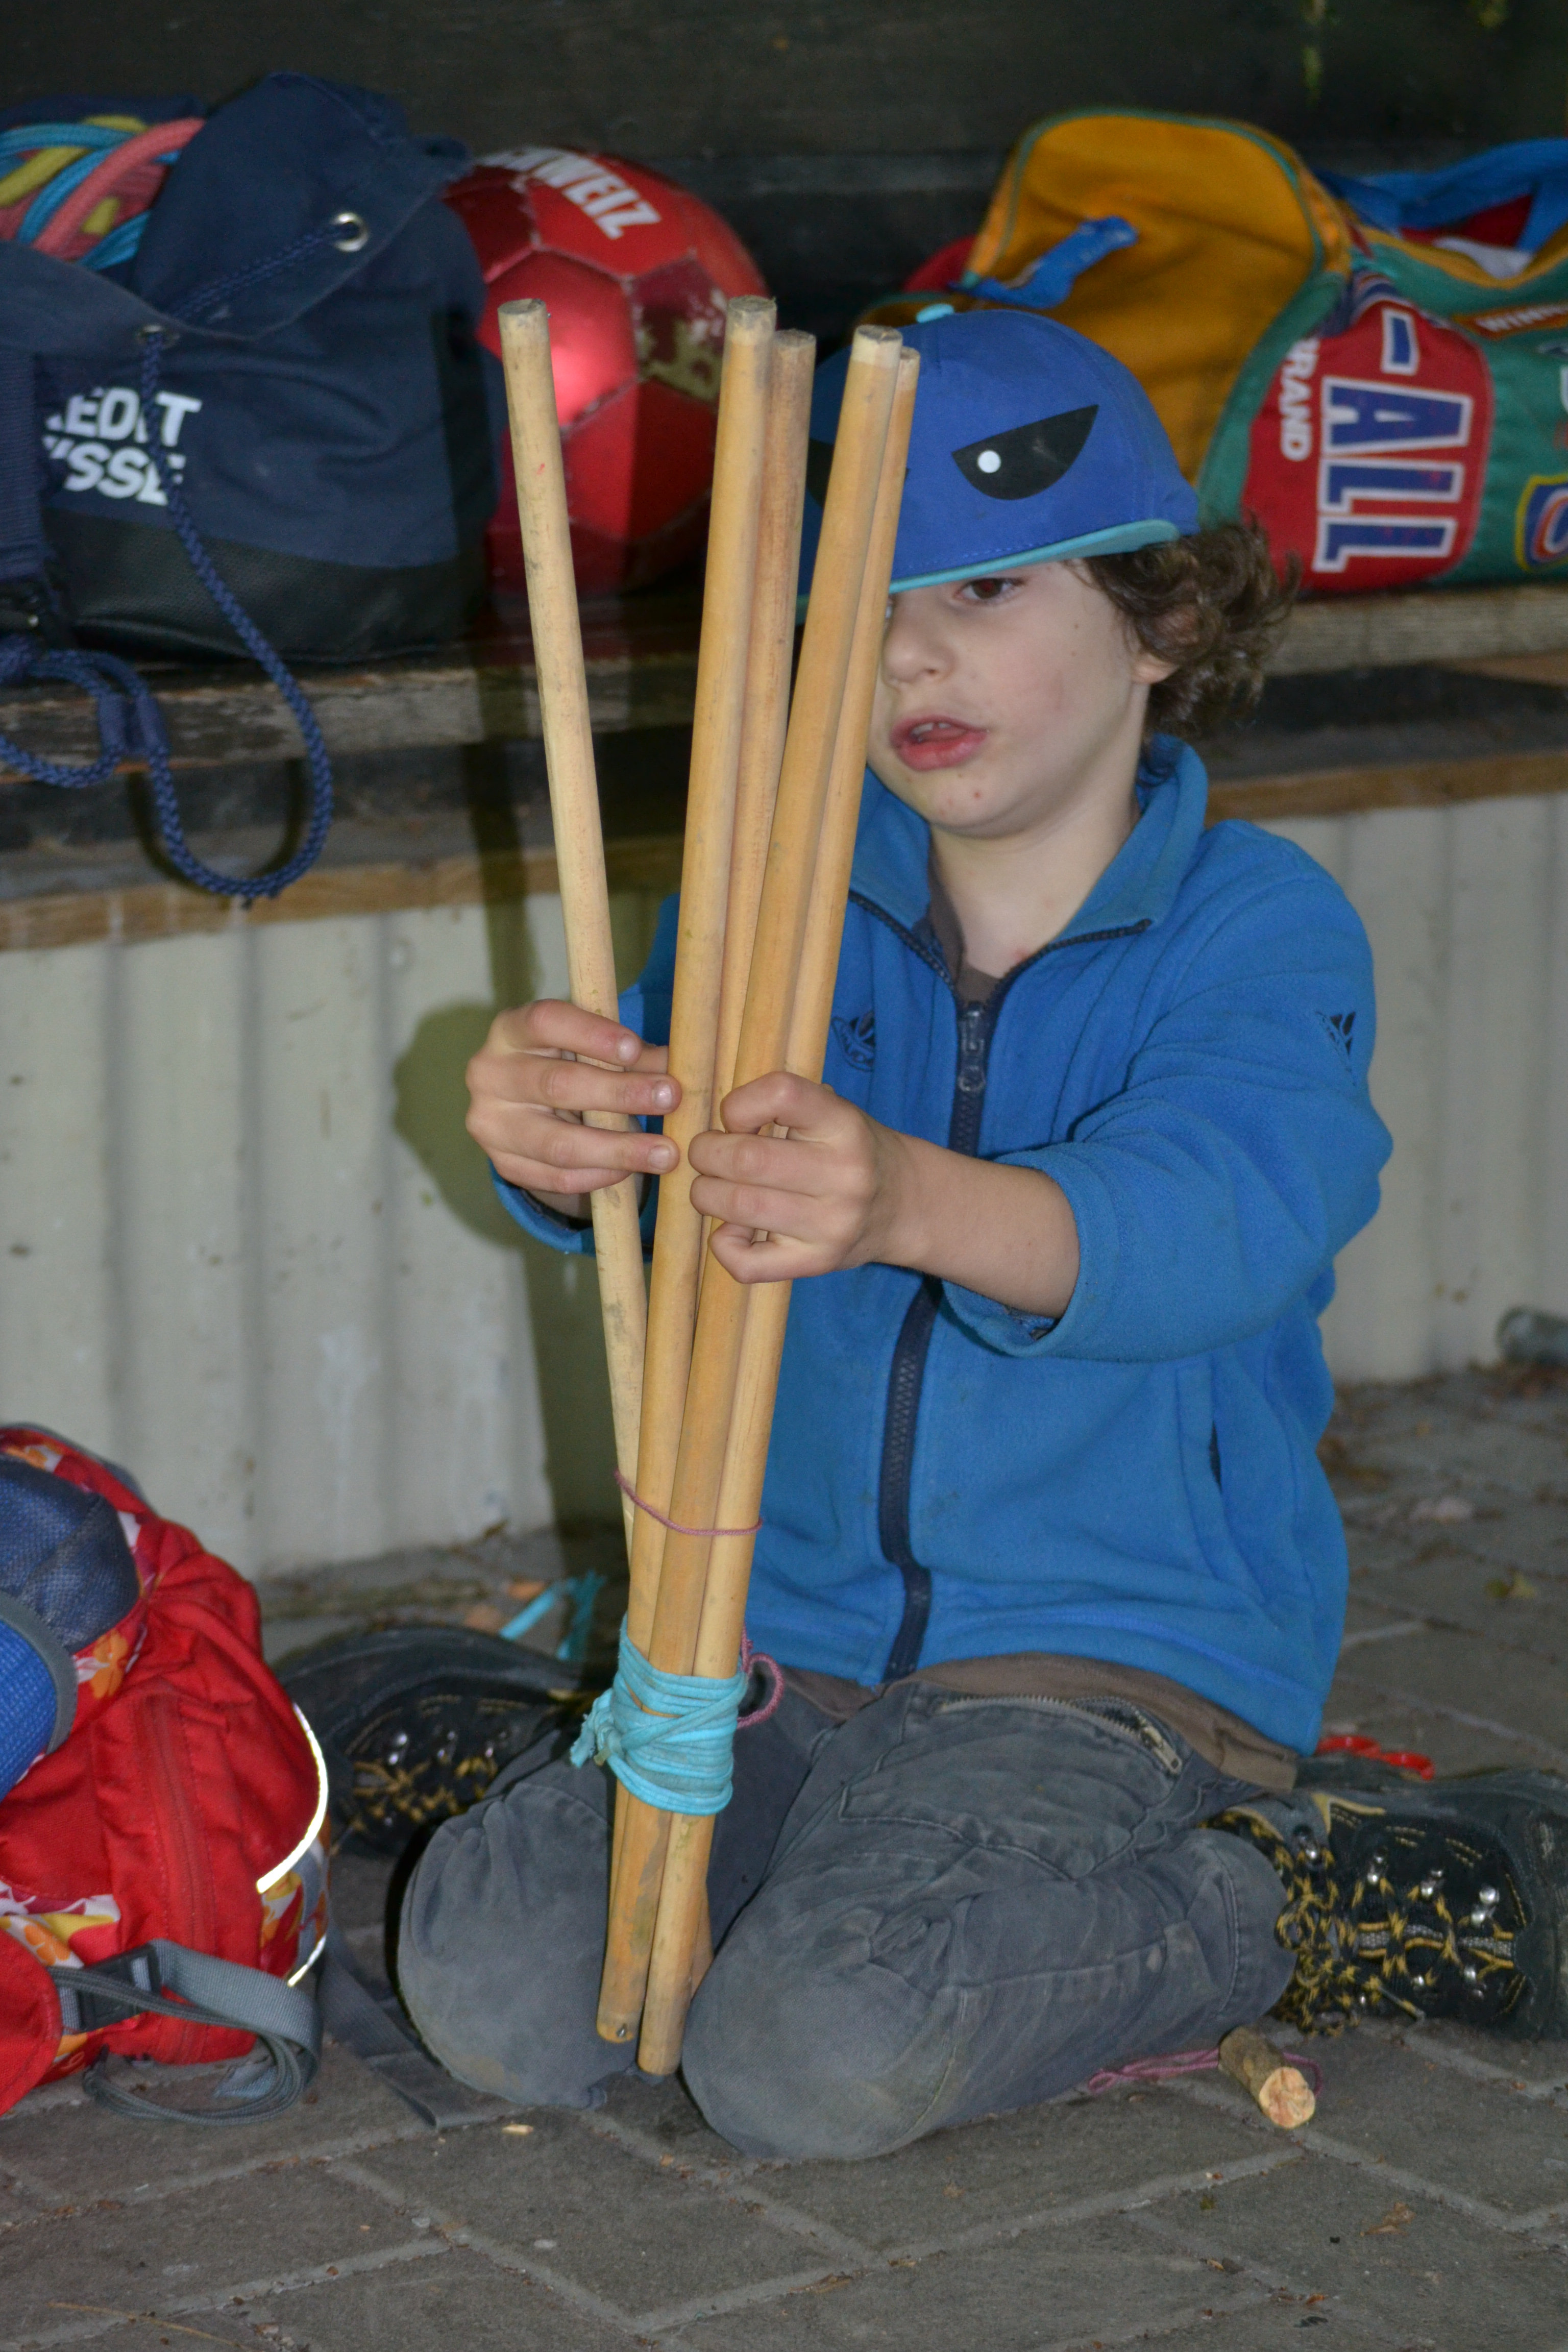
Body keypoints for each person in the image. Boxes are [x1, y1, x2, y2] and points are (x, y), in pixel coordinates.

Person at [399, 309, 1568, 2159]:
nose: (908, 652)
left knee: (812, 2053)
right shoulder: (772, 903)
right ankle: (673, 1783)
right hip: (774, 1625)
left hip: (1111, 1656)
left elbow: (1225, 1219)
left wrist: (905, 1199)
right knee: (493, 1991)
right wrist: (562, 1152)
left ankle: (1299, 1892)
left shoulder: (1256, 927)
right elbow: (657, 1165)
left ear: (1163, 620)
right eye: (861, 605)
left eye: (989, 586)